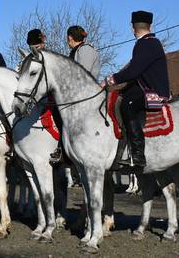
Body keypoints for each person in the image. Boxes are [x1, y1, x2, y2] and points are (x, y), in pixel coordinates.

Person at [102, 10, 169, 168]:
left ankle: (138, 156)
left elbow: (133, 71)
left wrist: (109, 80)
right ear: (150, 26)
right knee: (120, 97)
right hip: (145, 88)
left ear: (133, 28)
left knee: (128, 105)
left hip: (155, 93)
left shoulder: (146, 43)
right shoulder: (150, 42)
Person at [49, 26, 101, 163]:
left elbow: (80, 74)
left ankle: (63, 148)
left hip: (86, 94)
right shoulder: (76, 51)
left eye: (67, 38)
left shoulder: (86, 51)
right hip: (75, 93)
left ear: (70, 37)